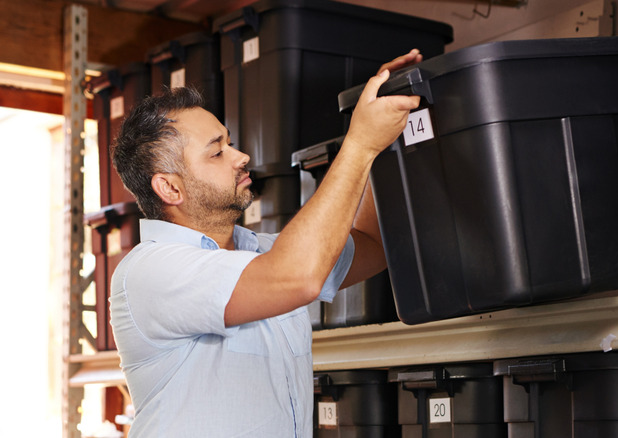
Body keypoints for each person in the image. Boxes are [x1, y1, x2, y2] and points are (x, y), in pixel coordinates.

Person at [109, 49, 423, 437]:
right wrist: (359, 144)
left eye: (231, 143)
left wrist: (387, 132)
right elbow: (299, 277)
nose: (241, 157)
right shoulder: (150, 272)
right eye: (218, 151)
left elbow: (373, 245)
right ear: (170, 187)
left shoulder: (259, 252)